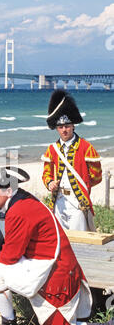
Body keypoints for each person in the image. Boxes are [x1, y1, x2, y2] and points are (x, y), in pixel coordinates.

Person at [0, 167, 114, 325]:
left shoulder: (19, 210)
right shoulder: (24, 200)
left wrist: (0, 261)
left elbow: (9, 256)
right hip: (61, 268)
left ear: (9, 191)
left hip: (57, 276)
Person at [42, 89, 102, 231]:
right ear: (56, 128)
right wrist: (50, 183)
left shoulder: (86, 147)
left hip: (78, 203)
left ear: (73, 125)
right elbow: (46, 174)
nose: (64, 130)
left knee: (80, 242)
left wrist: (83, 185)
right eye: (61, 127)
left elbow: (96, 175)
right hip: (58, 201)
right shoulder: (52, 149)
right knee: (60, 240)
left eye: (67, 126)